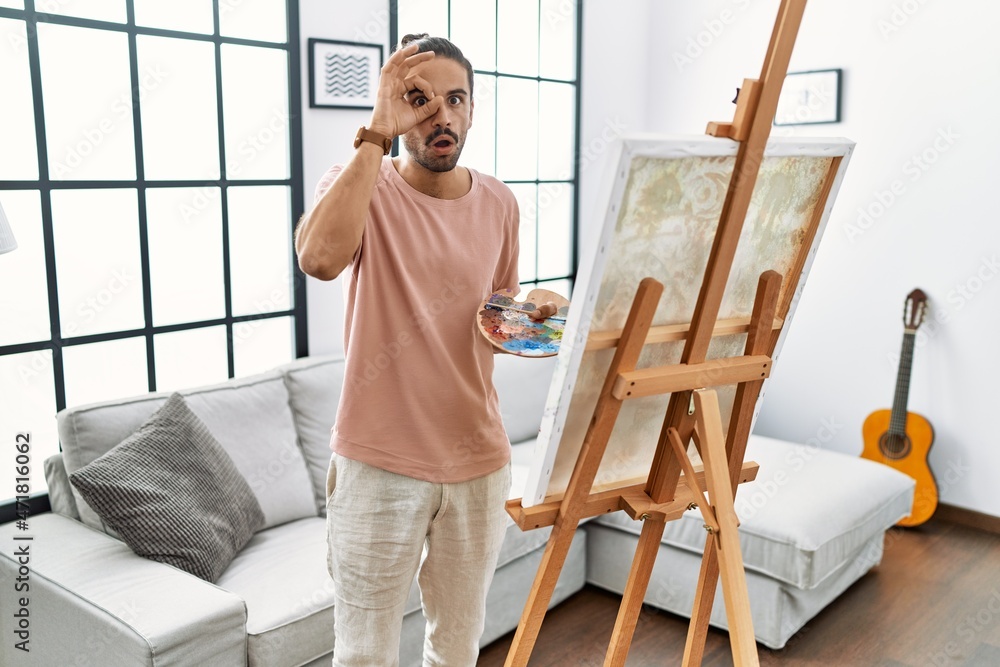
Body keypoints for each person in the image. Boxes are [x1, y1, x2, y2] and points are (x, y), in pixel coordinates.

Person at [295, 33, 556, 666]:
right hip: (377, 465)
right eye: (419, 100)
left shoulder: (500, 202)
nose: (442, 116)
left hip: (479, 463)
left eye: (456, 99)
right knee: (363, 654)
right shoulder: (363, 181)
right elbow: (320, 259)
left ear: (473, 107)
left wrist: (542, 314)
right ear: (394, 106)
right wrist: (376, 131)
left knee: (457, 648)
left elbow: (494, 318)